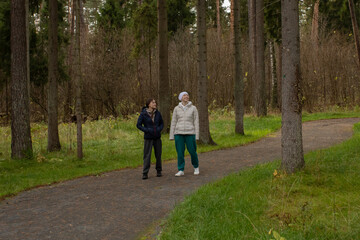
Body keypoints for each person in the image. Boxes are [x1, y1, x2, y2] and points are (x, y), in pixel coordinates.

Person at [170, 91, 200, 177]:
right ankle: (181, 169)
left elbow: (196, 122)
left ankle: (196, 167)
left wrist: (196, 135)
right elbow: (173, 122)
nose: (186, 96)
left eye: (187, 95)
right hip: (178, 133)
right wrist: (172, 135)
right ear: (180, 98)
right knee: (180, 152)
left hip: (190, 132)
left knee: (192, 151)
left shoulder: (193, 108)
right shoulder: (176, 108)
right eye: (184, 95)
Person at [137, 98, 164, 180]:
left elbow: (162, 123)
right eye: (153, 102)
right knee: (147, 155)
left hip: (157, 138)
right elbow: (138, 125)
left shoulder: (158, 113)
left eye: (155, 102)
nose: (155, 103)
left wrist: (159, 129)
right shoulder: (143, 114)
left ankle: (159, 171)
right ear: (149, 104)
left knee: (158, 155)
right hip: (148, 138)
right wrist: (147, 130)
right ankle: (145, 173)